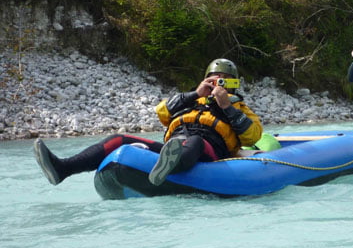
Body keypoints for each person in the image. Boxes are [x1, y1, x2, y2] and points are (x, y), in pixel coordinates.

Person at [34, 58, 263, 186]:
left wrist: (227, 107)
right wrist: (194, 94)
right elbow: (162, 112)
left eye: (223, 81)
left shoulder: (241, 109)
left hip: (209, 150)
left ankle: (168, 168)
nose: (217, 85)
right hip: (173, 147)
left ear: (233, 84)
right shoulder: (192, 99)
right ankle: (63, 168)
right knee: (119, 139)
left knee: (194, 141)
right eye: (212, 80)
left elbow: (253, 136)